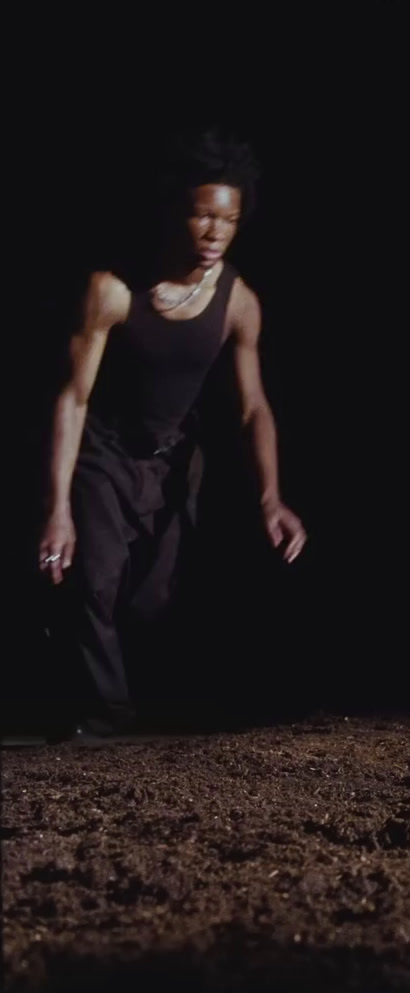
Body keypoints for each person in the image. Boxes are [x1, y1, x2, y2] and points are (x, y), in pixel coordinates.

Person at [35, 128, 307, 743]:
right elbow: (73, 398)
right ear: (175, 211)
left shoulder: (239, 302)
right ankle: (103, 723)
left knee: (149, 602)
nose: (215, 231)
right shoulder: (112, 290)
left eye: (229, 219)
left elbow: (253, 406)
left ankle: (82, 673)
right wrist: (57, 510)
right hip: (102, 455)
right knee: (94, 583)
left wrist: (271, 496)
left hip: (174, 461)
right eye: (202, 214)